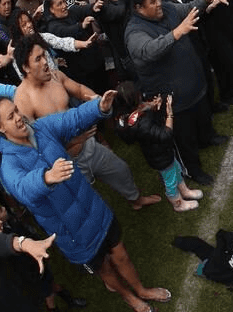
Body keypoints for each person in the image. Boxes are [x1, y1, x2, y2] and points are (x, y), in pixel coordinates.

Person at [0, 93, 172, 312]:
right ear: (0, 127)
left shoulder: (41, 128)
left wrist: (99, 107)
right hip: (73, 233)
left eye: (17, 110)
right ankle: (129, 297)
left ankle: (142, 289)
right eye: (10, 116)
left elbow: (71, 119)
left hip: (94, 209)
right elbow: (22, 188)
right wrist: (46, 177)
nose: (18, 117)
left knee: (121, 255)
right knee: (105, 269)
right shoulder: (9, 164)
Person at [12, 36, 161, 211]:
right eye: (38, 59)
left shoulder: (55, 76)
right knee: (89, 204)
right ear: (25, 67)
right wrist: (75, 141)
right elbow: (37, 145)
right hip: (65, 163)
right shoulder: (22, 102)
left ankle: (136, 200)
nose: (46, 62)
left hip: (88, 145)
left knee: (121, 170)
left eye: (44, 55)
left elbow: (80, 90)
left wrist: (98, 102)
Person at [125, 0, 224, 186]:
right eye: (152, 1)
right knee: (184, 137)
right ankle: (193, 170)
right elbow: (149, 50)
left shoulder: (168, 8)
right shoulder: (134, 32)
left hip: (193, 85)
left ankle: (207, 137)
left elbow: (186, 10)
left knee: (201, 116)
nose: (159, 3)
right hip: (172, 99)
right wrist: (178, 31)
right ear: (139, 8)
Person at [112, 82, 204, 212]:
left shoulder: (126, 116)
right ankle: (178, 204)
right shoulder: (141, 123)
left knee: (176, 169)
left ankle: (184, 191)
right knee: (170, 180)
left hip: (158, 152)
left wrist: (152, 106)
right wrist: (169, 113)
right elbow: (166, 134)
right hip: (160, 155)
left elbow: (143, 112)